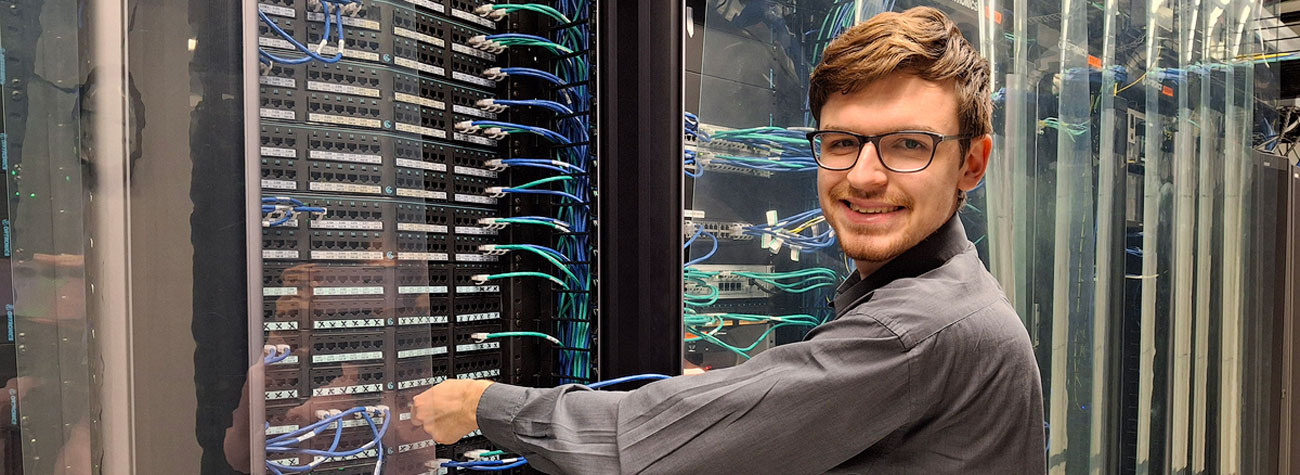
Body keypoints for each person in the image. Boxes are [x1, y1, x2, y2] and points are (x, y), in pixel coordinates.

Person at [411, 7, 1046, 474]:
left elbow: (636, 446)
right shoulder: (943, 298)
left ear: (972, 162)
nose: (864, 175)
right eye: (842, 142)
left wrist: (479, 402)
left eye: (909, 144)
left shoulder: (912, 331)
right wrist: (729, 402)